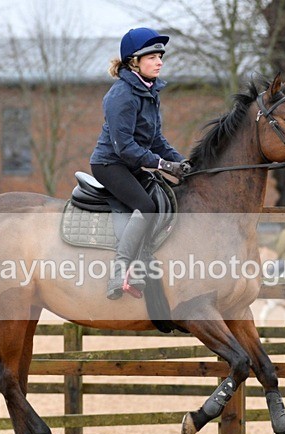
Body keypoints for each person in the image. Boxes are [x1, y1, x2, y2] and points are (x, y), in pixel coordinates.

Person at [90, 27, 190, 300]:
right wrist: (162, 165)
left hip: (132, 163)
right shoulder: (121, 95)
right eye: (152, 57)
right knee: (146, 206)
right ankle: (119, 270)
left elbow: (155, 139)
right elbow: (125, 148)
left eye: (160, 56)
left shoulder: (150, 91)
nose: (159, 61)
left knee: (163, 197)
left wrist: (182, 162)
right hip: (110, 164)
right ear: (134, 62)